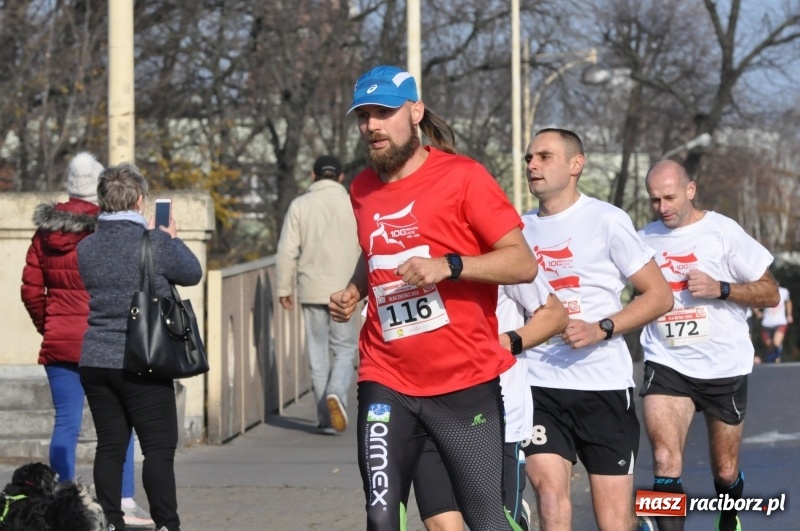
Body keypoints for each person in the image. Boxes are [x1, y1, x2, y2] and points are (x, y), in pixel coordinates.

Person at [328, 64, 538, 531]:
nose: (372, 125)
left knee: (485, 519)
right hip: (385, 374)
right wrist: (355, 290)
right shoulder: (361, 188)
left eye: (384, 112)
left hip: (463, 382)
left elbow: (522, 262)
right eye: (363, 115)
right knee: (381, 516)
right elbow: (374, 251)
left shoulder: (464, 177)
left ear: (415, 112)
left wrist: (449, 266)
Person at [520, 128, 673, 531]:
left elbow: (659, 295)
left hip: (601, 385)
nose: (532, 165)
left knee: (613, 521)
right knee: (550, 500)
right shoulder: (518, 229)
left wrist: (602, 328)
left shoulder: (607, 220)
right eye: (529, 158)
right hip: (538, 383)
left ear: (576, 164)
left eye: (544, 156)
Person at [638, 160, 780, 531]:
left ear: (691, 190)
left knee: (726, 470)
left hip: (723, 366)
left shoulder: (722, 232)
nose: (662, 207)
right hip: (666, 361)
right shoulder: (642, 239)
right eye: (654, 200)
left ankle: (728, 515)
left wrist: (722, 289)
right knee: (665, 460)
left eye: (670, 197)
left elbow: (770, 293)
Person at [20, 152, 154, 528]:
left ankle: (62, 502)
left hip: (60, 341)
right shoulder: (108, 231)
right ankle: (123, 500)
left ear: (69, 185)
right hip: (105, 339)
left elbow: (31, 289)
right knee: (119, 422)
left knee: (66, 423)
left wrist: (50, 326)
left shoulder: (45, 233)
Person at [77, 163, 202, 531]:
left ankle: (111, 522)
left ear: (103, 201)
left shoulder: (86, 248)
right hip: (144, 357)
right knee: (158, 449)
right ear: (140, 200)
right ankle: (166, 524)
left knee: (110, 446)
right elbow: (192, 273)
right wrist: (171, 237)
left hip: (96, 359)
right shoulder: (156, 243)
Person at [413, 274, 568, 531]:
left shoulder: (500, 256)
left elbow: (555, 315)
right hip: (429, 408)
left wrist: (505, 342)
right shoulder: (405, 255)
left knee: (492, 524)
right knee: (440, 524)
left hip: (495, 414)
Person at [276, 155, 361, 434]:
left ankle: (325, 418)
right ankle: (337, 391)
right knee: (344, 348)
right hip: (346, 288)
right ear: (341, 177)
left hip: (311, 288)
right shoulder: (353, 203)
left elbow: (287, 250)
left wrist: (284, 288)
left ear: (313, 175)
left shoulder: (300, 205)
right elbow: (365, 245)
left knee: (317, 352)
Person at [753, 284, 793, 363]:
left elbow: (788, 302)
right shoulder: (764, 291)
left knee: (776, 342)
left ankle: (778, 356)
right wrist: (757, 312)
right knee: (770, 345)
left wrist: (789, 314)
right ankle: (771, 360)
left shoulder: (784, 291)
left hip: (780, 322)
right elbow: (755, 300)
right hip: (767, 323)